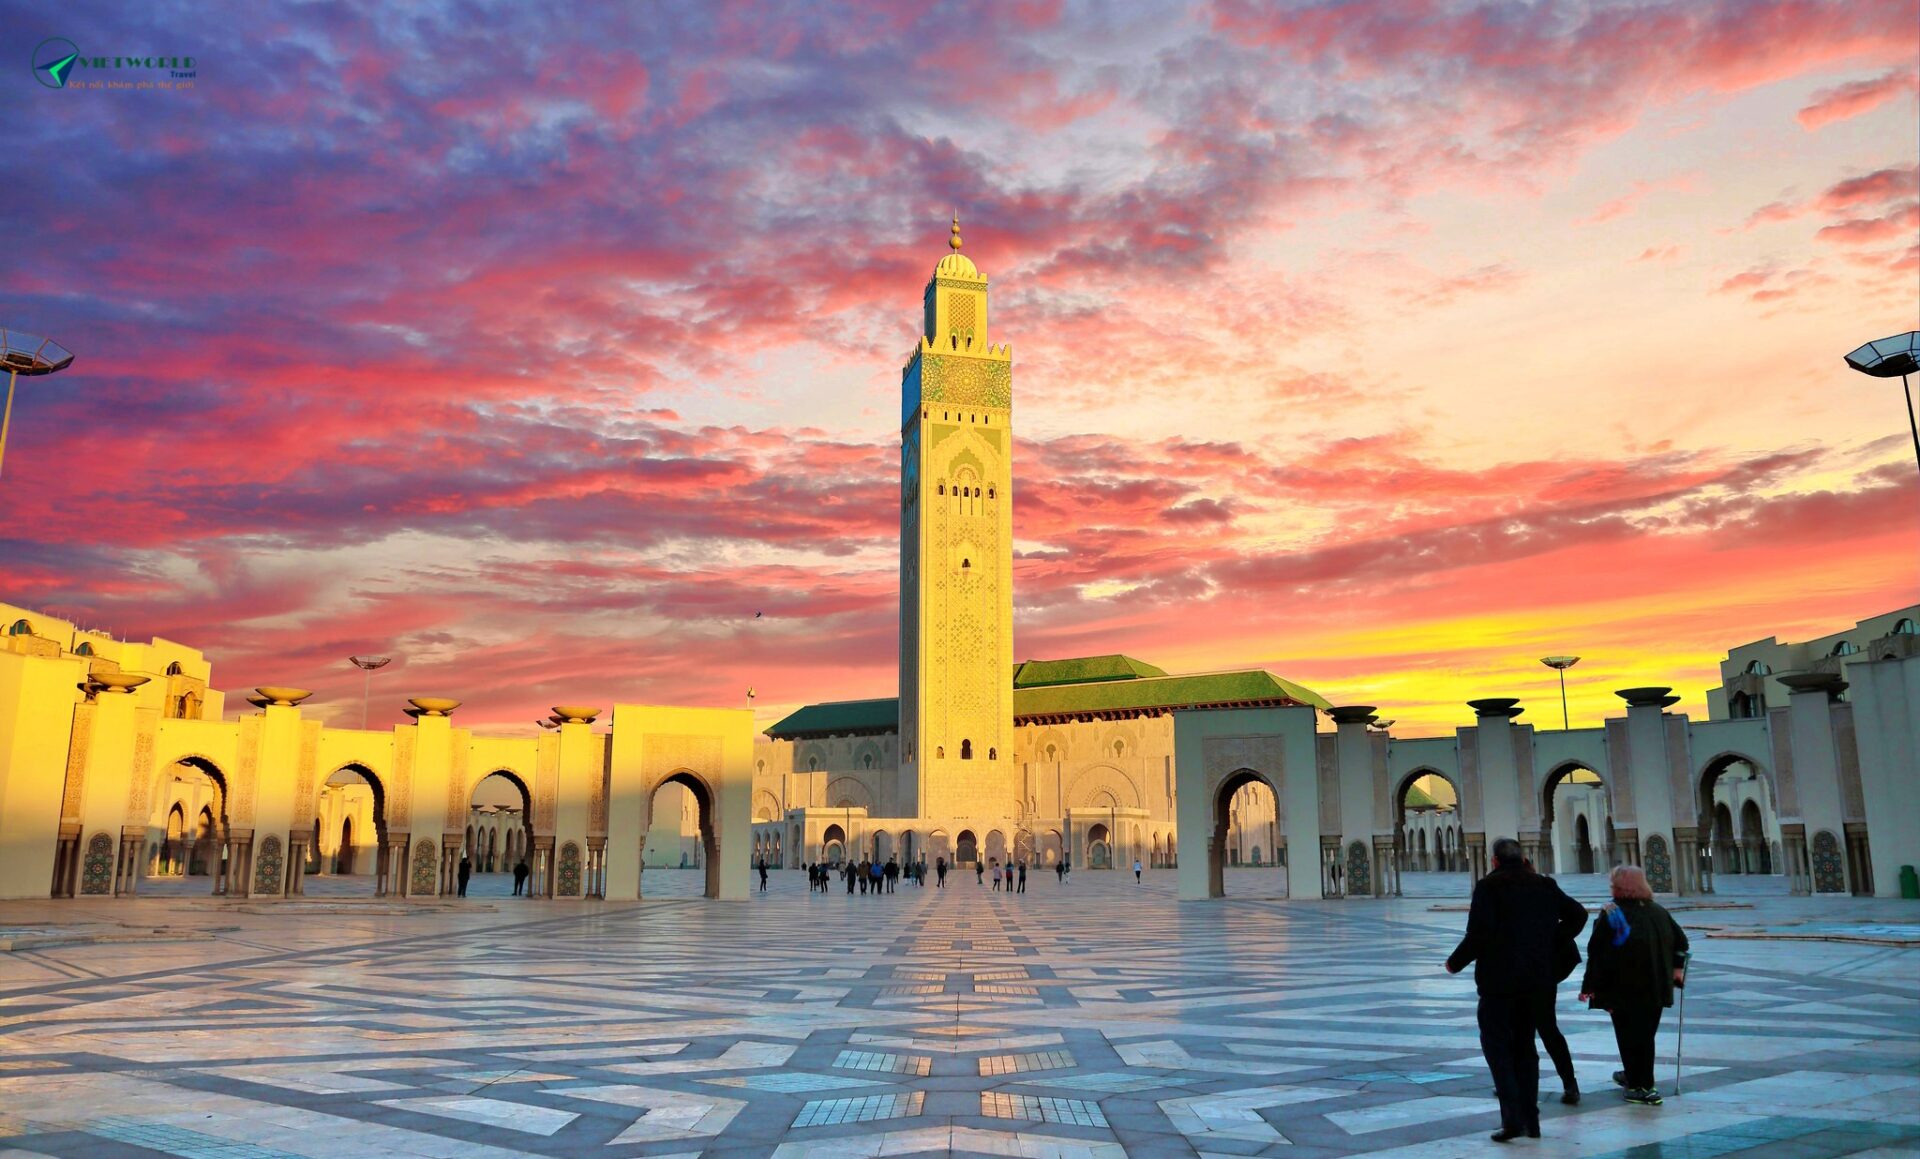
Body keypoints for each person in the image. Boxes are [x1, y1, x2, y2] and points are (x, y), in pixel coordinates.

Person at [1446, 837, 1588, 1143]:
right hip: (1538, 980)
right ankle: (1531, 1120)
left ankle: (1513, 1120)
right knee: (1526, 1048)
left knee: (1498, 1049)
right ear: (1522, 858)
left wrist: (1454, 963)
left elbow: (1479, 934)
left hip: (1500, 983)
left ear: (1494, 860)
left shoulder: (1489, 887)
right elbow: (1579, 914)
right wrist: (1551, 939)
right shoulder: (1544, 885)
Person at [1580, 864, 1690, 1107]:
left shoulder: (1612, 913)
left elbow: (1598, 953)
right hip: (1656, 988)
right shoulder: (1658, 911)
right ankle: (1640, 1078)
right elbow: (1681, 942)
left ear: (1618, 887)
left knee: (1629, 1035)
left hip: (1623, 988)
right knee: (1645, 1035)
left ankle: (1639, 1086)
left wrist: (1590, 987)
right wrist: (1677, 969)